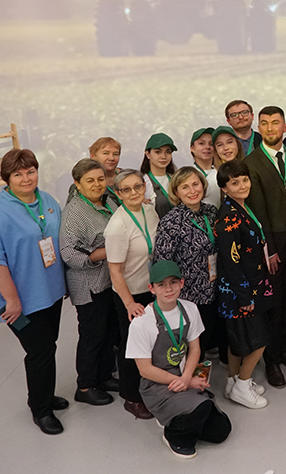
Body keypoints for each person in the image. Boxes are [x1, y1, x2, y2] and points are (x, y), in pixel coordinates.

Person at [0, 149, 67, 435]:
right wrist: (11, 301)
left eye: (30, 171)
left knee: (48, 345)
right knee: (39, 350)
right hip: (19, 301)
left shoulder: (47, 200)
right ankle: (41, 410)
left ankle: (44, 394)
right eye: (18, 174)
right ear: (7, 178)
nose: (26, 178)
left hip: (50, 291)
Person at [126, 260, 231, 460]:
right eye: (161, 284)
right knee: (201, 409)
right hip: (157, 385)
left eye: (173, 282)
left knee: (221, 431)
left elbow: (195, 349)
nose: (168, 289)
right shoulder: (142, 323)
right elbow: (145, 370)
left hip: (183, 376)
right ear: (151, 288)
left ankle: (177, 414)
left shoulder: (190, 309)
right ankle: (173, 435)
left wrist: (187, 377)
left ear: (182, 283)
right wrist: (187, 382)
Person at [243, 105, 286, 388]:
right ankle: (270, 360)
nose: (270, 128)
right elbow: (257, 211)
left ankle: (283, 349)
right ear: (259, 128)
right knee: (273, 303)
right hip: (272, 245)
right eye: (265, 123)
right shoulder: (252, 162)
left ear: (285, 127)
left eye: (275, 123)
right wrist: (268, 248)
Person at [59, 158, 121, 408]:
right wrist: (102, 253)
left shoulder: (108, 200)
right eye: (90, 181)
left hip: (109, 280)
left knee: (109, 333)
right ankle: (84, 386)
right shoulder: (74, 212)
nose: (97, 184)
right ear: (77, 184)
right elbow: (68, 253)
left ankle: (103, 377)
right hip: (88, 284)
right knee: (92, 336)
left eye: (100, 179)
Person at [215, 161, 274, 409]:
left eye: (245, 180)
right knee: (259, 339)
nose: (242, 186)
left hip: (250, 284)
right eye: (234, 182)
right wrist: (245, 297)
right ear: (224, 188)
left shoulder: (243, 207)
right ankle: (242, 384)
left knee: (237, 340)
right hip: (240, 290)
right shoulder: (229, 216)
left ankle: (233, 381)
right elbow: (231, 261)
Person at [106, 168, 161, 420]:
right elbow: (114, 271)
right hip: (131, 294)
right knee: (132, 346)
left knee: (151, 343)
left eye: (138, 186)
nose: (134, 193)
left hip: (152, 289)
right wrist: (129, 303)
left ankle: (150, 386)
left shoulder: (149, 210)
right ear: (118, 194)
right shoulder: (117, 226)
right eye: (126, 189)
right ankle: (132, 397)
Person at [153, 167, 222, 363]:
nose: (192, 191)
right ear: (176, 192)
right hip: (189, 295)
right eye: (185, 187)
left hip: (214, 288)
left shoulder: (211, 212)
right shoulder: (171, 222)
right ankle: (189, 378)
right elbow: (163, 262)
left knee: (207, 338)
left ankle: (199, 374)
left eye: (195, 184)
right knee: (192, 346)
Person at [140, 133, 177, 219]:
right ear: (148, 154)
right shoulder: (142, 183)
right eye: (158, 152)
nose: (163, 156)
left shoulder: (176, 179)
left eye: (168, 152)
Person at [189, 127, 221, 207]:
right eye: (201, 143)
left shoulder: (221, 172)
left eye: (211, 144)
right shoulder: (188, 175)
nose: (207, 147)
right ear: (192, 148)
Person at [89, 136, 122, 201]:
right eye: (105, 153)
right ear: (92, 155)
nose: (111, 158)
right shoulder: (83, 183)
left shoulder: (128, 178)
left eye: (115, 154)